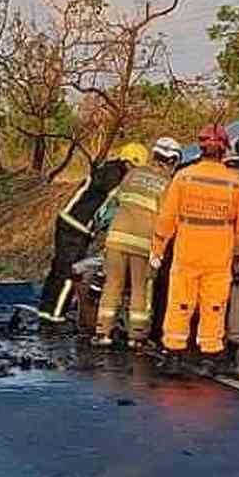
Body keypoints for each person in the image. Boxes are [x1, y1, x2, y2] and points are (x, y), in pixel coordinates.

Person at [151, 123, 239, 376]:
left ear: (201, 148)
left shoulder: (184, 176)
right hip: (217, 256)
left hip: (187, 252)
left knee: (179, 303)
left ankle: (173, 356)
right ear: (224, 150)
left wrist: (157, 247)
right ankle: (210, 359)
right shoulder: (234, 182)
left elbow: (167, 217)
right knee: (214, 306)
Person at [93, 138, 181, 348]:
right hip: (144, 244)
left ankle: (102, 333)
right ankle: (137, 336)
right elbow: (167, 217)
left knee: (112, 286)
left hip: (116, 240)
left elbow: (113, 203)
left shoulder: (132, 174)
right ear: (173, 161)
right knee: (141, 290)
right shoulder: (168, 184)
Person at [37, 146, 136, 324]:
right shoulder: (115, 179)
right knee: (69, 273)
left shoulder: (105, 169)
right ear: (129, 162)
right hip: (79, 227)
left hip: (66, 220)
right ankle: (56, 316)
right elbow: (111, 209)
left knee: (57, 268)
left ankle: (45, 311)